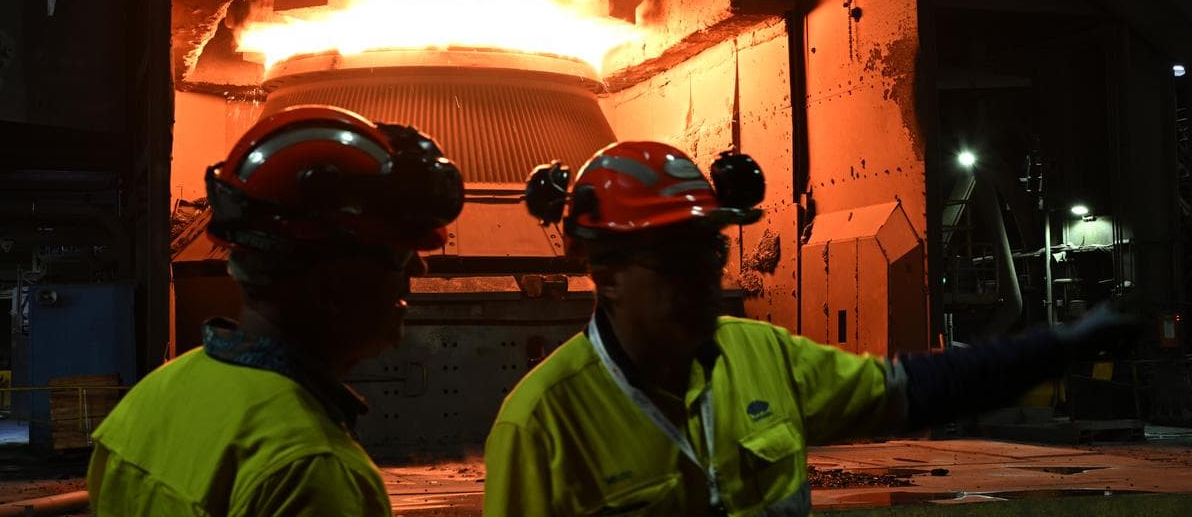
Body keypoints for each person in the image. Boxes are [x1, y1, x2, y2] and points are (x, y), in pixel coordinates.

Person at [484, 141, 1137, 516]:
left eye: (712, 253)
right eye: (676, 262)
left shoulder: (762, 357)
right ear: (607, 273)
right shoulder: (541, 425)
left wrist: (1056, 346)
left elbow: (919, 388)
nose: (706, 278)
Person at [88, 105, 464, 516]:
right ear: (330, 282)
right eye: (397, 254)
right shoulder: (310, 471)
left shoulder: (152, 400)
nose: (418, 267)